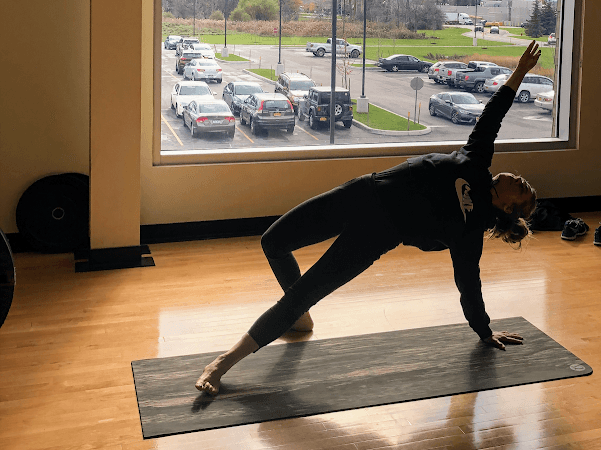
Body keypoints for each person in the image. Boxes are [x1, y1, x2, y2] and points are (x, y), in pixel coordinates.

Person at [196, 41, 542, 395]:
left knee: (301, 294)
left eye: (521, 188)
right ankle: (298, 318)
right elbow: (493, 114)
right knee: (273, 241)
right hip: (361, 193)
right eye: (522, 181)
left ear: (507, 208)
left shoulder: (470, 231)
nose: (517, 178)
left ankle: (222, 363)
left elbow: (469, 285)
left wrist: (485, 331)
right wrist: (519, 71)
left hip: (375, 235)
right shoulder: (476, 163)